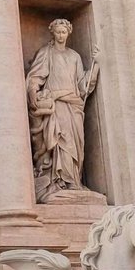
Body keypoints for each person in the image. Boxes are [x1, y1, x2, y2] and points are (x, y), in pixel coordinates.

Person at [25, 18, 101, 201]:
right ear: (53, 32)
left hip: (73, 104)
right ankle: (58, 180)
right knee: (60, 141)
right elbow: (35, 76)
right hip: (57, 104)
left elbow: (82, 85)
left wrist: (96, 65)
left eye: (64, 32)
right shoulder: (46, 53)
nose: (61, 35)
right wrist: (33, 90)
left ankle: (74, 180)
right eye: (58, 32)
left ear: (68, 33)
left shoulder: (74, 56)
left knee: (75, 145)